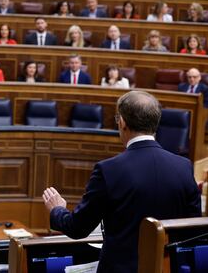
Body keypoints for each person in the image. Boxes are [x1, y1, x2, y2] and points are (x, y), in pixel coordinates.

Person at [43, 90, 201, 272]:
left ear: (123, 122)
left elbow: (78, 228)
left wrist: (57, 209)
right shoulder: (183, 166)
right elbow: (192, 230)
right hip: (168, 268)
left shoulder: (108, 170)